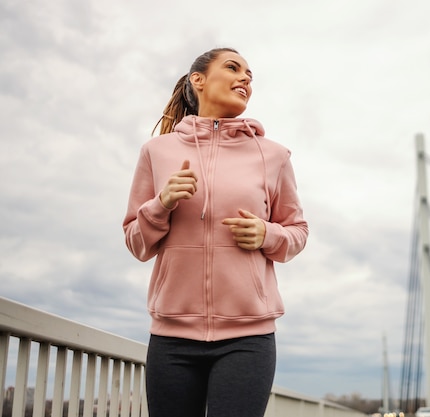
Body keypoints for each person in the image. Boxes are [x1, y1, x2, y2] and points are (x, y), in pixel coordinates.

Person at [122, 47, 308, 417]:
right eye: (233, 68)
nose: (245, 79)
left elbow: (297, 231)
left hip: (248, 337)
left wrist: (267, 235)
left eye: (250, 75)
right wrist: (161, 203)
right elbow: (137, 243)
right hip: (172, 336)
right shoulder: (156, 152)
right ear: (198, 80)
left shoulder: (273, 156)